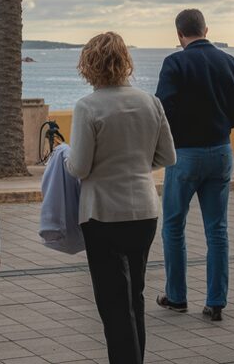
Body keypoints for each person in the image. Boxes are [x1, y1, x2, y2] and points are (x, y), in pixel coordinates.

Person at [65, 32, 176, 364]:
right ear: (125, 61)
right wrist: (139, 165)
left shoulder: (88, 106)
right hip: (143, 210)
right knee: (134, 297)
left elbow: (80, 167)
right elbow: (167, 156)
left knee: (113, 304)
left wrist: (65, 159)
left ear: (89, 65)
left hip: (102, 214)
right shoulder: (150, 102)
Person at [155, 9, 234, 322]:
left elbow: (161, 109)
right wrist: (220, 126)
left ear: (179, 34)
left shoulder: (175, 63)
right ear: (206, 29)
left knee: (173, 225)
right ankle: (216, 302)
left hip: (185, 154)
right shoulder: (229, 62)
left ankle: (177, 297)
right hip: (221, 152)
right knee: (217, 229)